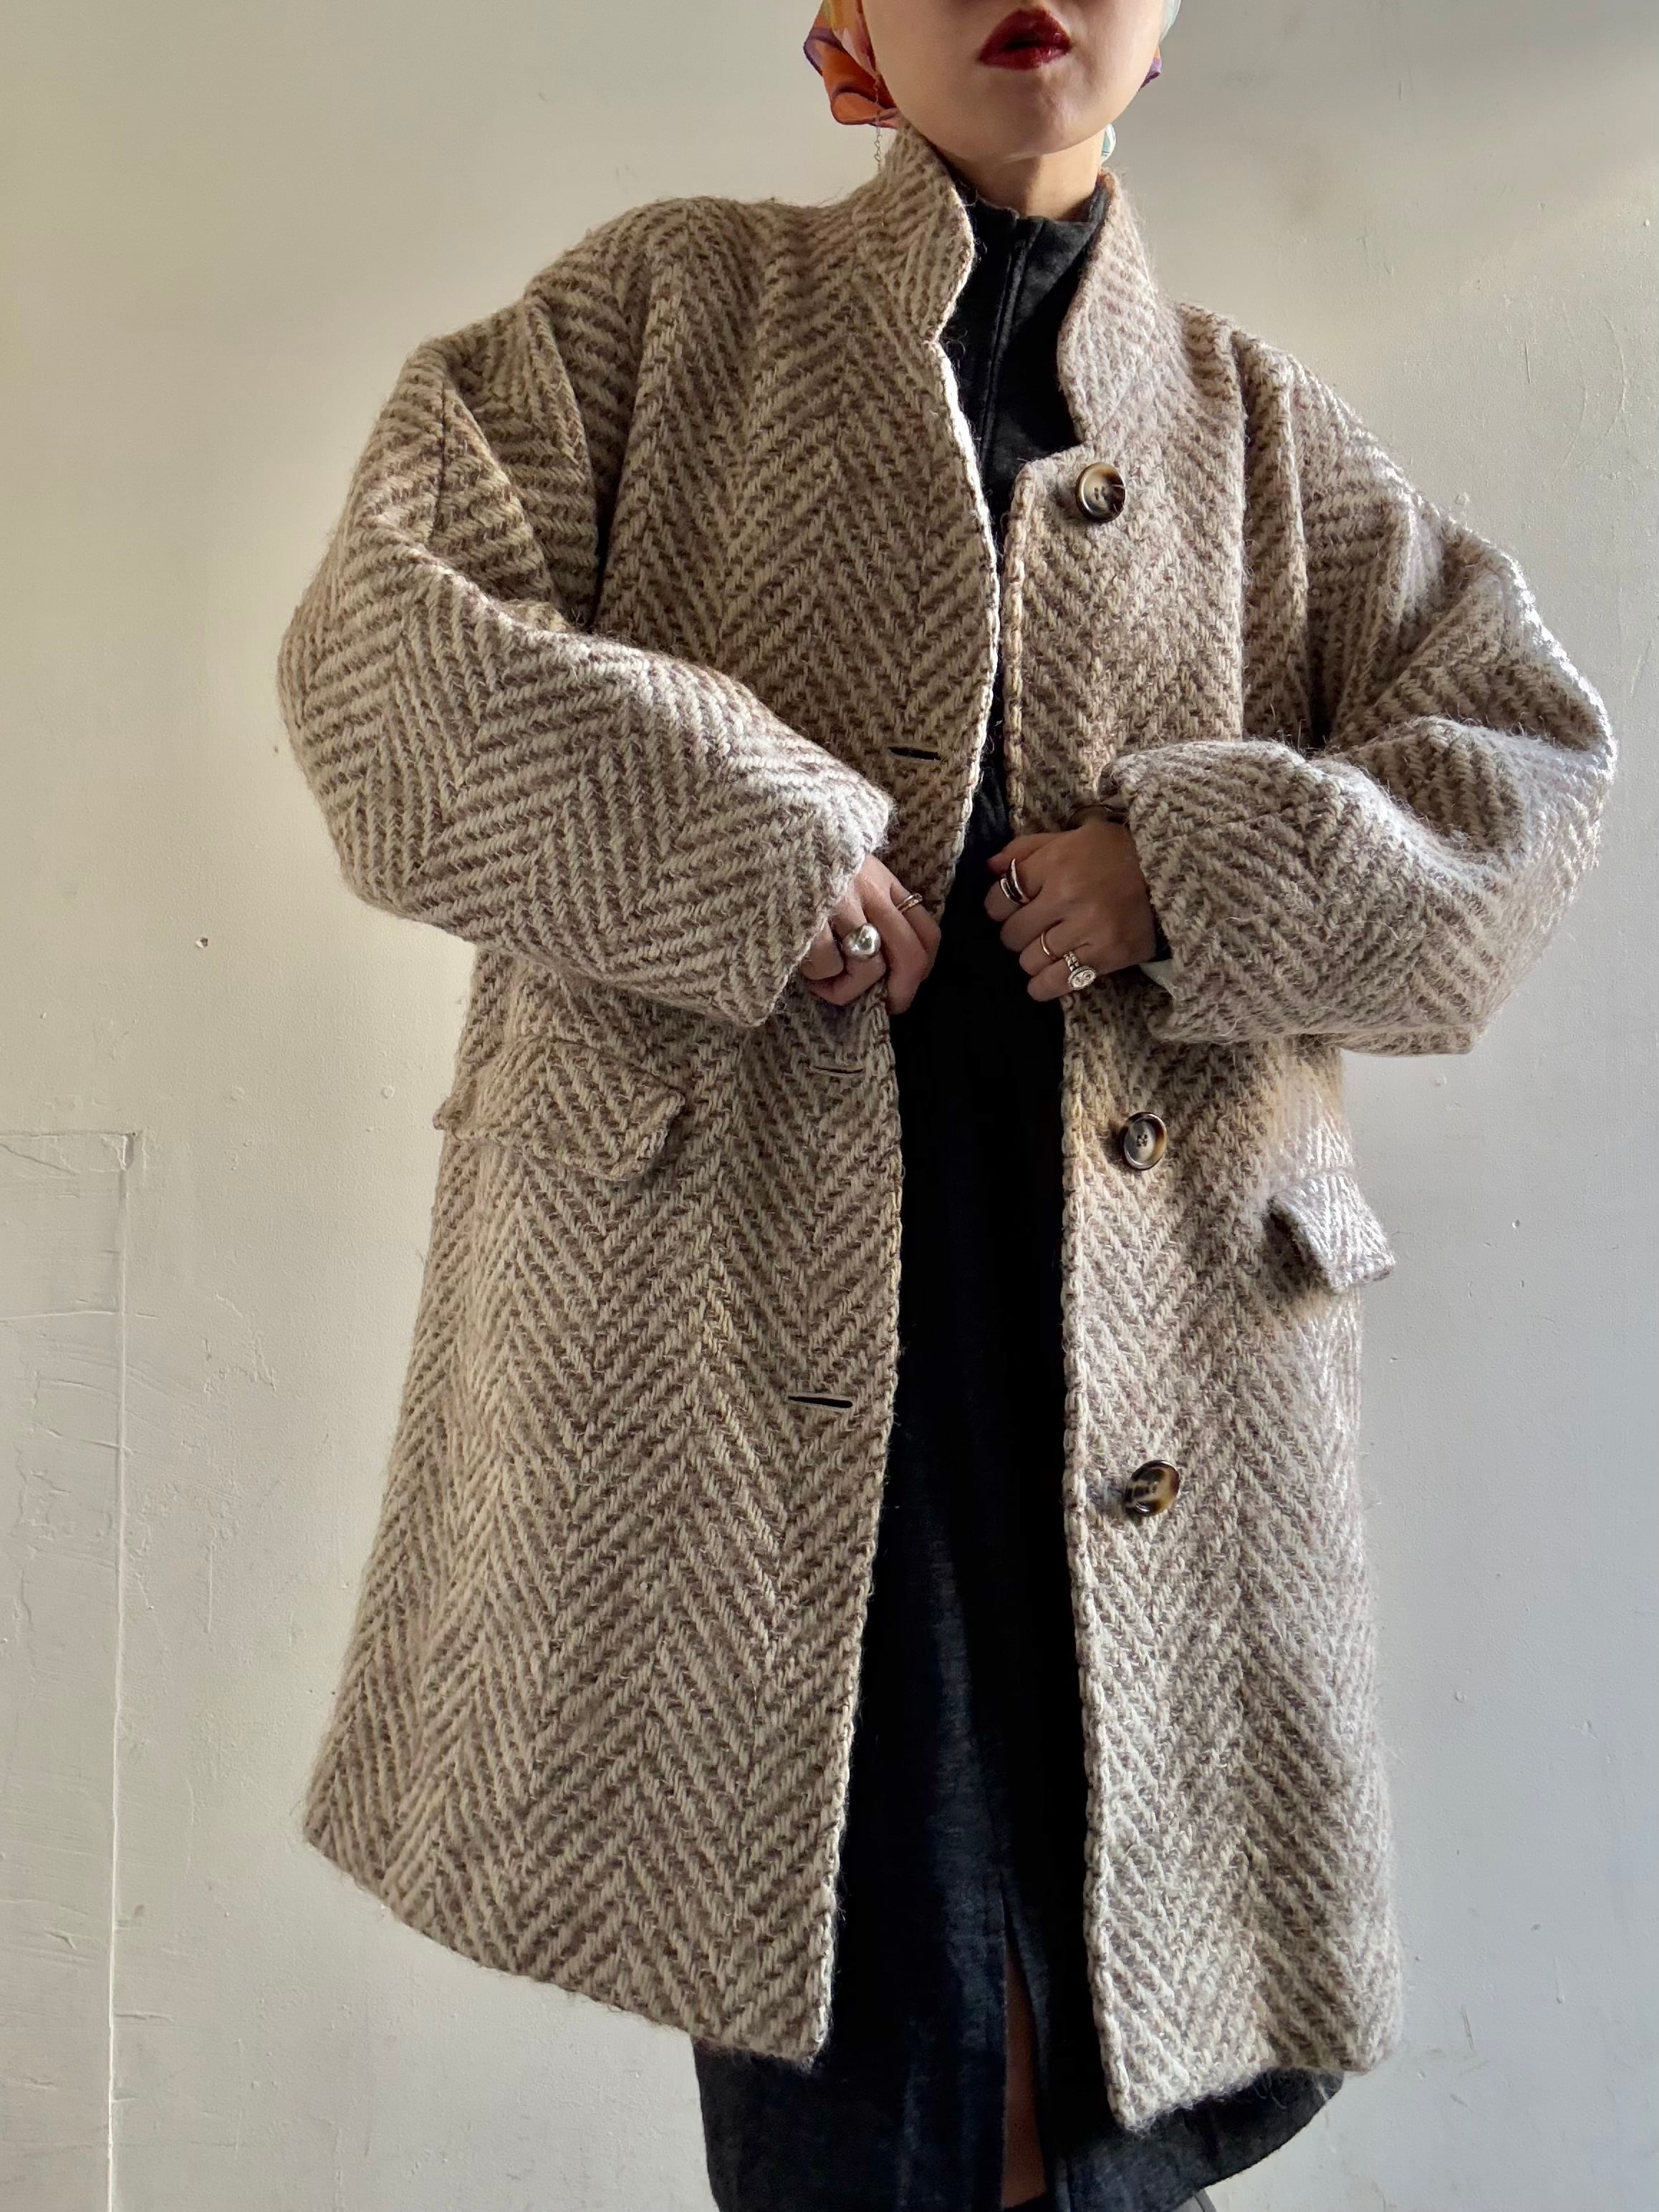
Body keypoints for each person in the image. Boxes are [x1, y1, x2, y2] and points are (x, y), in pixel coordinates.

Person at [274, 4, 1617, 2210]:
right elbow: (378, 658)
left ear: (1163, 38)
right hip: (759, 1332)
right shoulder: (663, 316)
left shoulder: (1262, 437)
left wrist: (1190, 869)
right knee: (867, 2009)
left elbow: (1525, 784)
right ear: (843, 28)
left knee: (1112, 2039)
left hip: (1140, 1343)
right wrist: (741, 842)